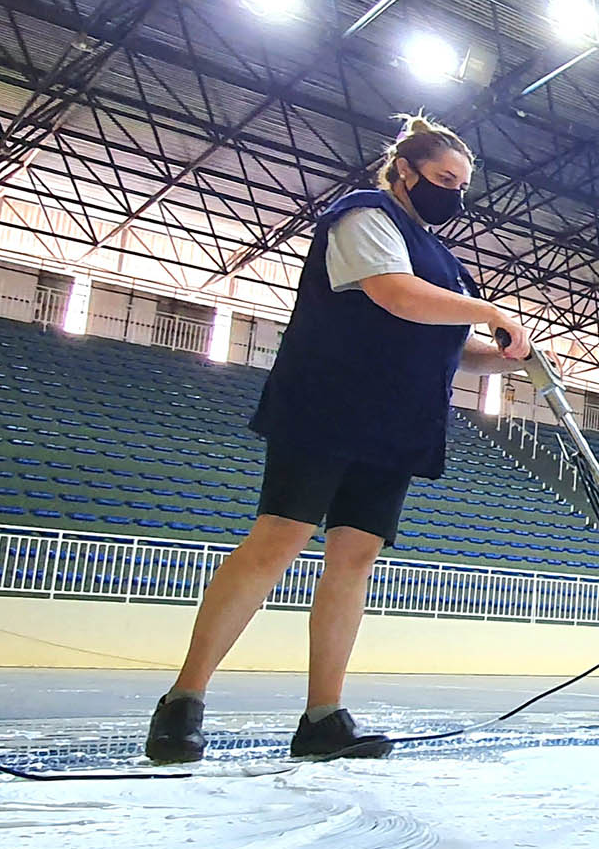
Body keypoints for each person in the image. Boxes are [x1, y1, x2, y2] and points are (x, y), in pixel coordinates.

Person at [144, 115, 532, 764]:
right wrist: (491, 312)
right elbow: (393, 294)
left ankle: (323, 716)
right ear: (406, 171)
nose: (453, 197)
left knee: (354, 559)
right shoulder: (363, 216)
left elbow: (448, 341)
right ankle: (183, 700)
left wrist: (504, 357)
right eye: (444, 179)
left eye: (462, 187)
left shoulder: (442, 259)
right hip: (329, 402)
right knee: (280, 538)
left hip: (398, 421)